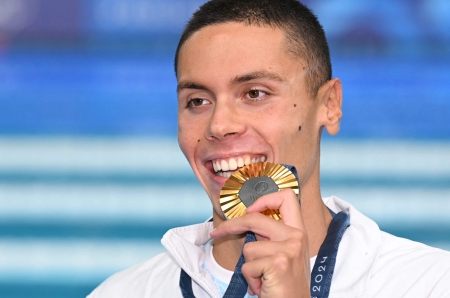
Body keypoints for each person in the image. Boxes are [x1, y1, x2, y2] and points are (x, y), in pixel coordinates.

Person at [88, 0, 450, 297]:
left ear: (329, 105)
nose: (219, 125)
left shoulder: (428, 284)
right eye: (197, 101)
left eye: (255, 94)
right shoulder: (122, 292)